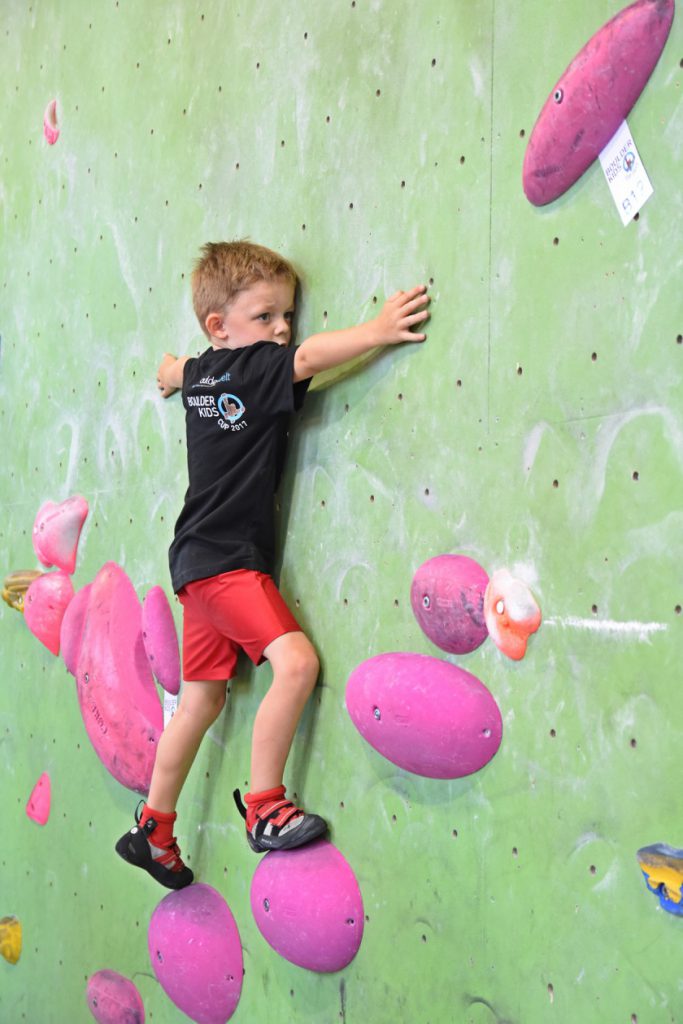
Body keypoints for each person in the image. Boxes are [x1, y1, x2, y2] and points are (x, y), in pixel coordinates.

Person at [115, 240, 430, 889]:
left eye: (286, 316)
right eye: (266, 318)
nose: (282, 331)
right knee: (297, 663)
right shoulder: (255, 368)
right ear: (220, 326)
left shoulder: (203, 372)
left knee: (199, 701)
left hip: (193, 564)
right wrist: (377, 331)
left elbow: (179, 371)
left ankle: (154, 827)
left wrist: (171, 370)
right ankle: (264, 808)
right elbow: (309, 359)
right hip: (229, 561)